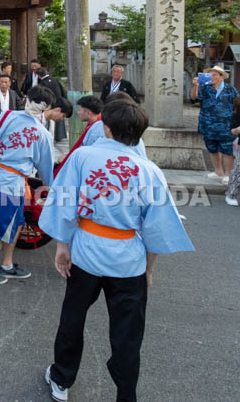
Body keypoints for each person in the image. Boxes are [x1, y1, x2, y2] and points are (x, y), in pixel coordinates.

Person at [39, 99, 194, 402]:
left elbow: (64, 202)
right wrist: (148, 271)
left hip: (86, 251)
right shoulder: (148, 170)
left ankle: (61, 377)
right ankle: (126, 393)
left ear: (105, 127)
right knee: (127, 334)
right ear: (139, 132)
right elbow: (156, 229)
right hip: (128, 260)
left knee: (73, 318)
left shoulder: (83, 156)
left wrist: (62, 245)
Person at [0, 85, 57, 285]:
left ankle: (7, 264)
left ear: (27, 99)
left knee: (16, 223)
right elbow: (45, 165)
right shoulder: (41, 133)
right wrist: (49, 186)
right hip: (10, 184)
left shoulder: (8, 116)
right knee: (1, 229)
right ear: (45, 108)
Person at [190, 65, 238, 184]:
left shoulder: (230, 89)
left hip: (226, 124)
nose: (211, 77)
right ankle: (218, 171)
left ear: (221, 77)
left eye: (214, 75)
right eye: (209, 75)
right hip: (208, 123)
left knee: (227, 149)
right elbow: (193, 99)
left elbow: (238, 104)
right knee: (212, 148)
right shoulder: (204, 88)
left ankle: (228, 173)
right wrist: (196, 85)